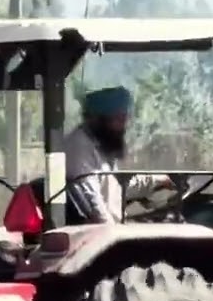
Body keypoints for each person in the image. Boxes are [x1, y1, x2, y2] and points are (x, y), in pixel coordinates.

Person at [64, 86, 174, 223]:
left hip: (116, 225)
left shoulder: (100, 142)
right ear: (97, 119)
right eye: (118, 119)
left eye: (124, 119)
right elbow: (92, 203)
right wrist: (116, 236)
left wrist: (156, 180)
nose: (124, 125)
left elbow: (116, 187)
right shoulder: (78, 148)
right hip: (101, 233)